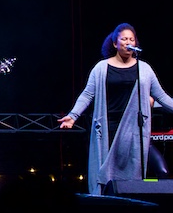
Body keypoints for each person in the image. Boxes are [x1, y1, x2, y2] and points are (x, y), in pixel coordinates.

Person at [59, 23, 173, 196]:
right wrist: (72, 116)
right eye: (124, 39)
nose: (128, 42)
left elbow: (162, 97)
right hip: (108, 128)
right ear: (115, 43)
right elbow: (87, 95)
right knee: (108, 177)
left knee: (136, 177)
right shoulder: (101, 68)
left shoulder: (144, 69)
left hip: (134, 130)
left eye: (131, 39)